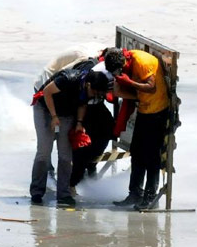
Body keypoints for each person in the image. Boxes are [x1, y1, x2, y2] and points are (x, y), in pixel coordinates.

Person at [30, 69, 109, 207]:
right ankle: (37, 191)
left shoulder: (90, 90)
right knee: (44, 151)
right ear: (89, 85)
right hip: (45, 109)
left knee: (66, 156)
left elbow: (83, 104)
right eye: (95, 92)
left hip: (66, 114)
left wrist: (79, 123)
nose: (95, 95)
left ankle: (64, 194)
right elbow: (47, 92)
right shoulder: (68, 79)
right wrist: (54, 117)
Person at [106, 48, 169, 210]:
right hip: (144, 108)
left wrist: (129, 83)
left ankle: (150, 196)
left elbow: (151, 87)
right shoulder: (127, 60)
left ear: (124, 62)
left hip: (157, 111)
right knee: (137, 152)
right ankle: (134, 193)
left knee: (151, 156)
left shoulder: (142, 62)